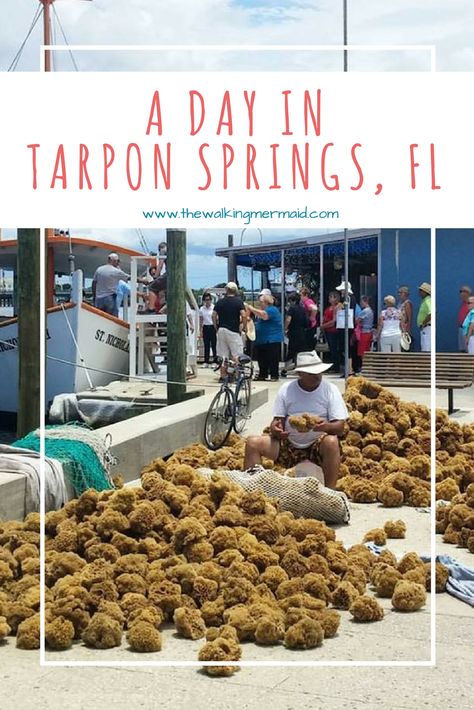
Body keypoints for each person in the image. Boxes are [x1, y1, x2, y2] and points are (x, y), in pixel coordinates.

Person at [243, 350, 348, 489]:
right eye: (311, 374)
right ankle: (252, 490)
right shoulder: (287, 389)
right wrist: (276, 429)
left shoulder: (330, 390)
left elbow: (340, 427)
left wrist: (323, 427)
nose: (317, 376)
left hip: (317, 446)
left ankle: (330, 492)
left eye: (319, 372)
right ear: (300, 374)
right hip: (289, 444)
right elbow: (276, 420)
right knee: (252, 443)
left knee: (332, 442)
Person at [245, 291, 283, 381]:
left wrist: (251, 308)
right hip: (262, 340)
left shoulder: (272, 310)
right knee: (262, 359)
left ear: (266, 302)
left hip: (272, 339)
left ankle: (274, 375)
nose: (259, 304)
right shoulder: (264, 310)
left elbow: (264, 316)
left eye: (261, 302)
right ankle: (263, 374)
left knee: (272, 359)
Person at [212, 282, 247, 378]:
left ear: (226, 290)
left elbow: (214, 315)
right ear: (235, 291)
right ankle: (237, 375)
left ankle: (223, 376)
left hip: (221, 330)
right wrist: (244, 327)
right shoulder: (238, 301)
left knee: (224, 355)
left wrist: (216, 327)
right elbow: (244, 315)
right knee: (237, 354)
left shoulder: (220, 302)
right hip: (233, 330)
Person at [92, 253, 131, 317]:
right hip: (110, 298)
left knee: (100, 319)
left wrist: (94, 296)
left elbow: (94, 283)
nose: (118, 262)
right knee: (113, 319)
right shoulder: (116, 271)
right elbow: (128, 277)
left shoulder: (99, 269)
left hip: (99, 299)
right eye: (118, 261)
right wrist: (143, 281)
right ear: (114, 261)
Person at [283, 292, 308, 375]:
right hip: (302, 332)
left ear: (292, 300)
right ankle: (299, 369)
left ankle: (285, 369)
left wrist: (285, 329)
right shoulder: (303, 309)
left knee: (291, 351)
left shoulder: (292, 309)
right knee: (300, 351)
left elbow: (288, 320)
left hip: (293, 332)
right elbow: (306, 321)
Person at [321, 290, 341, 373]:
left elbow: (334, 321)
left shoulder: (337, 307)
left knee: (334, 349)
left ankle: (336, 367)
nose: (329, 298)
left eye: (331, 297)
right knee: (331, 349)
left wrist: (323, 326)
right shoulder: (329, 307)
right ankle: (333, 365)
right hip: (327, 331)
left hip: (333, 331)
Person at [199, 292, 217, 367]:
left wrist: (216, 329)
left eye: (209, 299)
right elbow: (201, 320)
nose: (207, 301)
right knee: (206, 345)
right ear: (204, 300)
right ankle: (206, 361)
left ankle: (215, 361)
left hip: (213, 327)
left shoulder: (214, 307)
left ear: (211, 300)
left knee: (214, 345)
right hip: (205, 327)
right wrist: (200, 330)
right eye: (206, 300)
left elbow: (216, 318)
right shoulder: (202, 309)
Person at [356, 295, 374, 365]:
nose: (360, 303)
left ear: (365, 301)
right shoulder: (370, 310)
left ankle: (364, 365)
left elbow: (357, 321)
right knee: (367, 350)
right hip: (369, 332)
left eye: (361, 301)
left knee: (362, 351)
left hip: (364, 332)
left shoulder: (365, 311)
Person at [417, 282, 432, 352]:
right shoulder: (425, 301)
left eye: (421, 290)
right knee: (425, 347)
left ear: (425, 292)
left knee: (426, 348)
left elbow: (431, 313)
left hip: (427, 327)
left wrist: (423, 323)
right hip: (425, 328)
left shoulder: (428, 300)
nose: (419, 292)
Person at [458, 285, 472, 352]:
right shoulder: (463, 303)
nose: (460, 293)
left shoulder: (471, 304)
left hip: (468, 329)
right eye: (460, 291)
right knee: (462, 349)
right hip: (461, 328)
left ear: (467, 293)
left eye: (462, 291)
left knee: (468, 348)